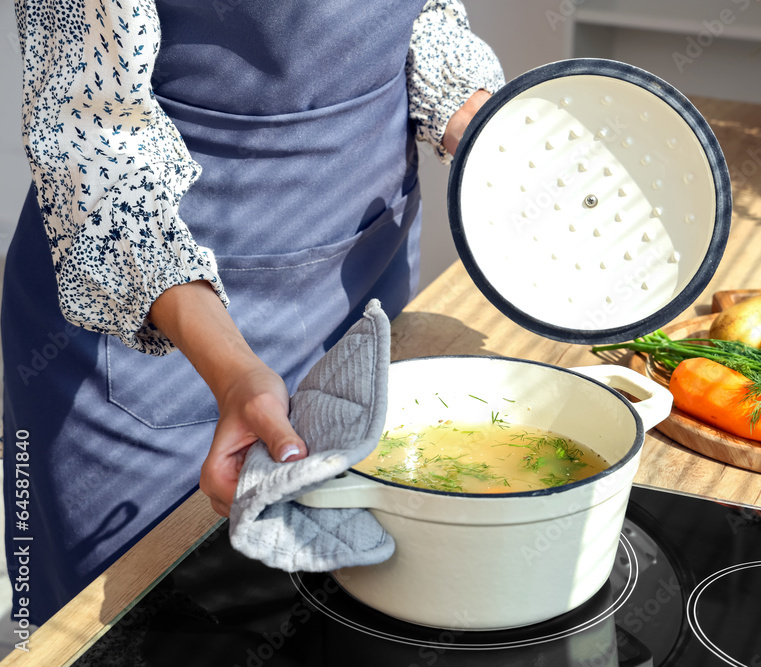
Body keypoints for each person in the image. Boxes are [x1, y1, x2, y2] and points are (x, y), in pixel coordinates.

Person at [5, 0, 504, 625]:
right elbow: (95, 146)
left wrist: (491, 131)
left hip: (364, 279)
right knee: (156, 631)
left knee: (347, 619)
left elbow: (422, 16)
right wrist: (235, 373)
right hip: (155, 330)